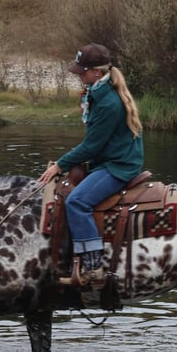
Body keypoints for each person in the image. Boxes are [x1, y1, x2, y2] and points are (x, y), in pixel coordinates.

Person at [39, 43, 144, 287]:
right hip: (110, 160)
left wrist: (60, 165)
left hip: (118, 166)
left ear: (96, 72)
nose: (79, 76)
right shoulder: (100, 92)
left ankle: (93, 265)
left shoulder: (107, 102)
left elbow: (91, 146)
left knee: (77, 202)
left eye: (82, 72)